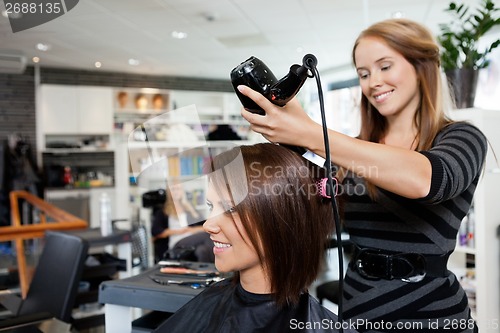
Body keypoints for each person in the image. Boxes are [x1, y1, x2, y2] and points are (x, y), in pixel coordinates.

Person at [238, 19, 486, 332]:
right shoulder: (353, 151)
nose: (373, 82)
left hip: (432, 315)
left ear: (422, 66)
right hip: (357, 309)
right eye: (363, 74)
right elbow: (312, 208)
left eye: (385, 66)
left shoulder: (462, 137)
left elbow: (426, 180)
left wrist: (311, 133)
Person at [155, 143, 356, 332]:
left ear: (279, 219)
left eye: (229, 208)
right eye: (210, 206)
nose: (208, 225)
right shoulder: (212, 301)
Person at [151, 181, 214, 263]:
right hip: (177, 244)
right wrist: (178, 231)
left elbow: (205, 226)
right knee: (206, 236)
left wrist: (191, 230)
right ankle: (219, 267)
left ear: (182, 192)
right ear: (169, 193)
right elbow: (155, 231)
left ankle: (206, 273)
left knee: (202, 250)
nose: (176, 191)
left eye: (178, 189)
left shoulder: (189, 209)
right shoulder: (163, 212)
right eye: (173, 189)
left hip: (193, 242)